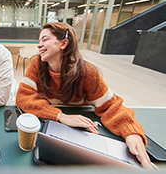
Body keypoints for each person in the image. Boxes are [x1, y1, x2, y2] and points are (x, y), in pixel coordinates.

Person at [15, 22, 156, 169]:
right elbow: (23, 97)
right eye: (39, 41)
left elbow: (111, 106)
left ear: (63, 43)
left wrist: (131, 133)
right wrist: (61, 116)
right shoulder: (36, 63)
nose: (39, 45)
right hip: (55, 123)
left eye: (44, 39)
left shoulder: (87, 73)